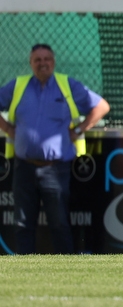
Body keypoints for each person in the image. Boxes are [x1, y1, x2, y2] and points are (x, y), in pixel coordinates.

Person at [0, 44, 110, 254]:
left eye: (47, 59)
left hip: (56, 170)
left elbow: (102, 107)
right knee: (23, 224)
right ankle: (25, 270)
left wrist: (78, 130)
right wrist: (6, 128)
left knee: (59, 223)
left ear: (54, 62)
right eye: (37, 60)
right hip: (24, 167)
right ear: (30, 63)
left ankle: (64, 270)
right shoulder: (18, 86)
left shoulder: (67, 86)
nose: (43, 63)